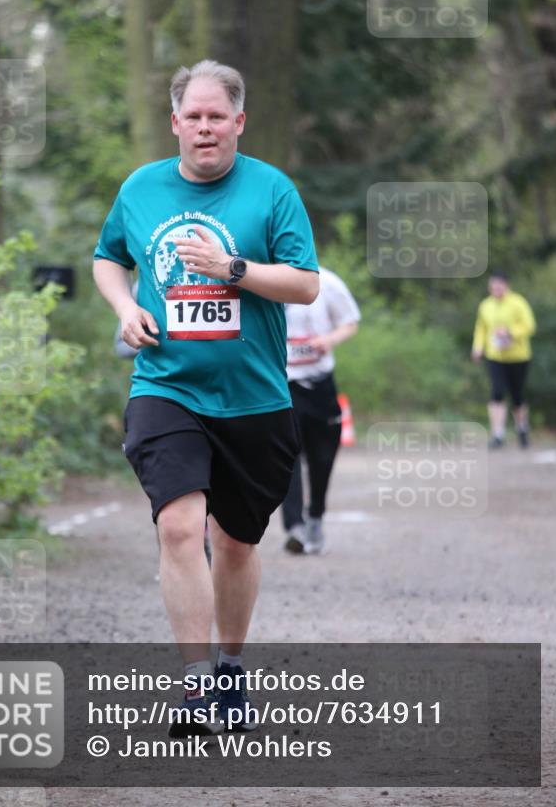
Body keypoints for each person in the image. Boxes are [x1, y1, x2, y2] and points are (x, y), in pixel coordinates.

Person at [93, 59, 318, 737]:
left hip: (253, 397)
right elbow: (108, 256)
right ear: (174, 124)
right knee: (179, 527)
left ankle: (229, 670)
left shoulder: (271, 191)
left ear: (238, 122)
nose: (204, 127)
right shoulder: (141, 189)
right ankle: (194, 690)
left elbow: (305, 285)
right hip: (166, 385)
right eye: (192, 116)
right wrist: (123, 306)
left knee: (237, 543)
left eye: (216, 116)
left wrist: (234, 270)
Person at [282, 267, 360, 555]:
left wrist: (329, 340)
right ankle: (295, 527)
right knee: (286, 454)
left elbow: (350, 323)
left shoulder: (328, 282)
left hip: (320, 385)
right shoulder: (265, 277)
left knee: (322, 458)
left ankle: (315, 516)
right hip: (283, 384)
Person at [471, 271, 536, 448]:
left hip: (518, 356)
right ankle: (497, 434)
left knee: (517, 396)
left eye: (499, 286)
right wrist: (478, 347)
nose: (496, 289)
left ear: (507, 286)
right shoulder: (485, 305)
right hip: (495, 356)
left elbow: (529, 325)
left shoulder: (518, 302)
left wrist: (510, 332)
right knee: (497, 392)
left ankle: (521, 427)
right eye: (493, 286)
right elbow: (481, 328)